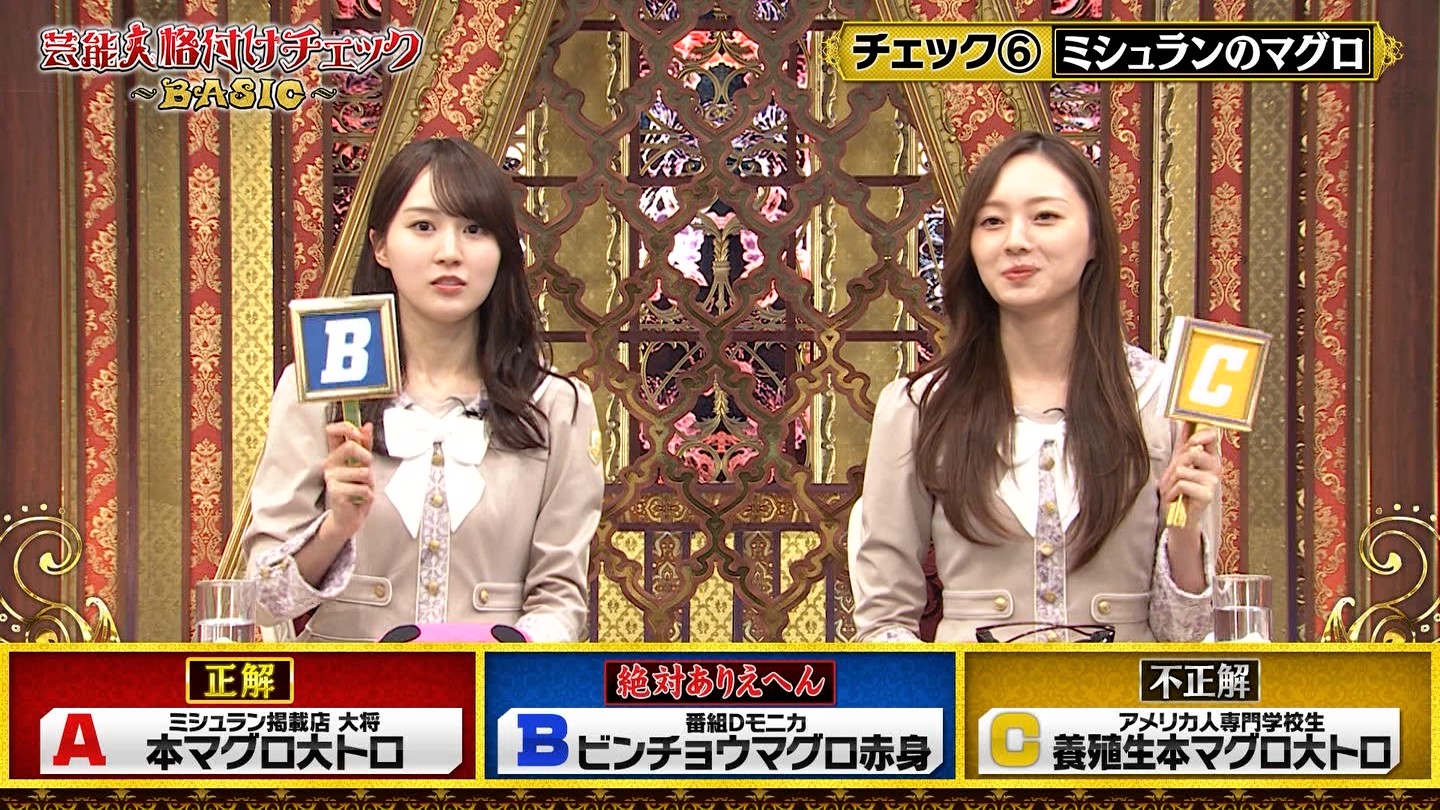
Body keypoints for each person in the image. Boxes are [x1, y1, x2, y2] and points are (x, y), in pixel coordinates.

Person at [851, 130, 1220, 643]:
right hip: (972, 690)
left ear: (1094, 239)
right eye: (992, 222)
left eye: (1045, 216)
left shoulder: (1161, 402)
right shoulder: (919, 408)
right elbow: (883, 624)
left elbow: (1188, 641)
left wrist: (1184, 532)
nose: (1016, 240)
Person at [243, 137, 603, 642]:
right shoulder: (320, 393)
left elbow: (560, 601)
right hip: (349, 687)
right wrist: (336, 527)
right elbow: (263, 601)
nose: (449, 253)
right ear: (380, 246)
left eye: (474, 229)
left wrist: (504, 660)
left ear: (503, 250)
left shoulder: (556, 406)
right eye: (423, 227)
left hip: (488, 682)